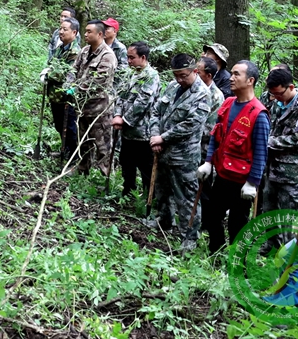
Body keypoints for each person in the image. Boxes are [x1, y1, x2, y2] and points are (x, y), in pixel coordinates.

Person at [198, 60, 270, 254]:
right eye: (232, 73)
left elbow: (261, 152)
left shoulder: (259, 114)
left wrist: (253, 182)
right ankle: (216, 252)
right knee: (212, 216)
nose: (231, 78)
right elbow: (216, 134)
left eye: (237, 74)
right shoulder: (228, 103)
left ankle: (238, 261)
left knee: (237, 224)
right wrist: (208, 162)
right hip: (222, 174)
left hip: (242, 180)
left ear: (250, 81)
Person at [147, 53, 211, 252]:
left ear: (194, 71)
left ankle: (189, 236)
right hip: (162, 151)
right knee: (162, 189)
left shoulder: (202, 94)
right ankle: (164, 220)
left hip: (183, 156)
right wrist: (155, 135)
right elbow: (156, 111)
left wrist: (163, 138)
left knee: (186, 196)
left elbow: (190, 125)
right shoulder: (172, 87)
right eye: (176, 75)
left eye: (183, 75)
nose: (179, 79)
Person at [66, 20, 118, 175]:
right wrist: (68, 85)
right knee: (83, 141)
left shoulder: (107, 55)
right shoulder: (84, 51)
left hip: (99, 109)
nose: (86, 34)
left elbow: (98, 81)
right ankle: (82, 170)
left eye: (89, 32)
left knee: (103, 146)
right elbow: (73, 70)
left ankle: (107, 176)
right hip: (83, 106)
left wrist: (77, 88)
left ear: (100, 34)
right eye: (86, 31)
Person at [112, 41, 161, 197]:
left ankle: (148, 198)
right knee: (126, 164)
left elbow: (143, 102)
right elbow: (120, 95)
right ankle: (128, 193)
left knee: (145, 167)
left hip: (142, 133)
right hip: (127, 132)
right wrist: (117, 115)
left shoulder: (151, 76)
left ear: (143, 57)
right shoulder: (130, 73)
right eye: (127, 57)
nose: (129, 61)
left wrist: (125, 120)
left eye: (132, 58)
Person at [263, 68, 298, 221]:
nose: (276, 97)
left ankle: (287, 246)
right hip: (271, 170)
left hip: (292, 174)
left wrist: (268, 142)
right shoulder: (277, 103)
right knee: (268, 214)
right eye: (273, 94)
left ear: (290, 87)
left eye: (279, 93)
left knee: (288, 219)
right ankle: (269, 245)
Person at [42, 17, 80, 159]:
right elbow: (52, 64)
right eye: (60, 28)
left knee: (69, 127)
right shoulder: (60, 48)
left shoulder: (75, 52)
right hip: (55, 95)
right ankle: (65, 150)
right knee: (59, 125)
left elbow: (66, 74)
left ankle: (74, 156)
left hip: (66, 96)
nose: (61, 32)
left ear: (74, 32)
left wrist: (49, 75)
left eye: (65, 29)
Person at [196, 57, 226, 163]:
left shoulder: (216, 97)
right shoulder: (191, 89)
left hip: (203, 151)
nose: (194, 75)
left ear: (209, 76)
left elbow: (211, 129)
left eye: (198, 72)